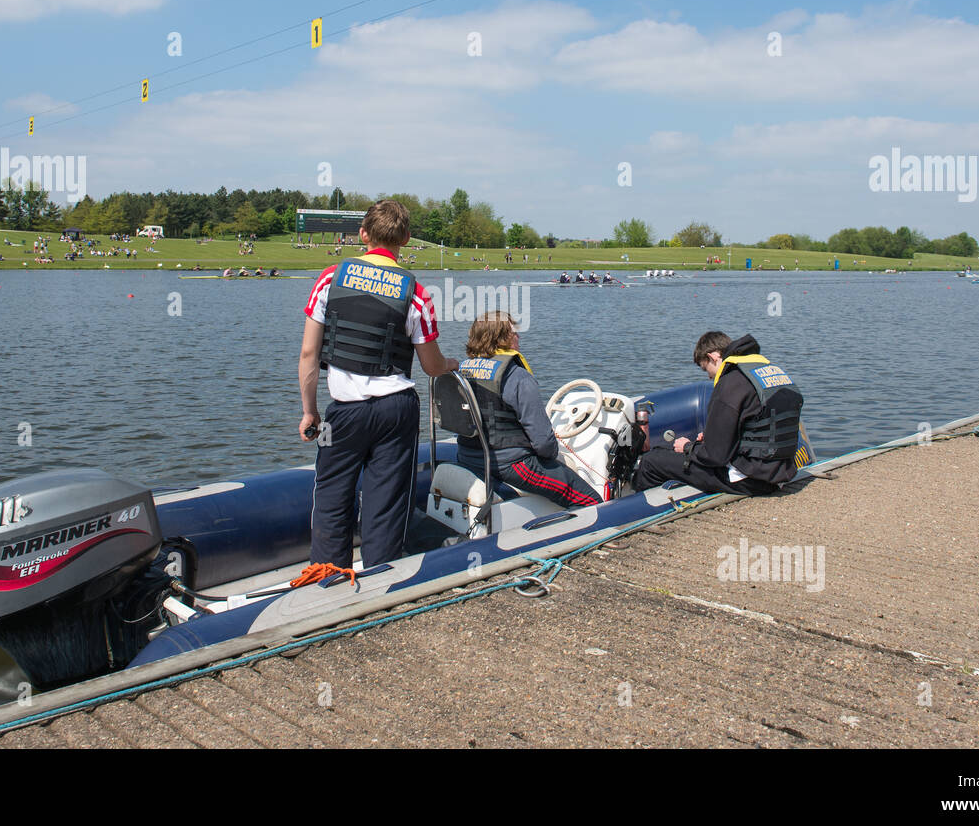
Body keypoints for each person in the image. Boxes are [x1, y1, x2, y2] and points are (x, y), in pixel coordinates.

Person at [297, 199, 460, 579]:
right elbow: (432, 367)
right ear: (405, 238)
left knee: (331, 492)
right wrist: (452, 363)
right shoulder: (416, 292)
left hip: (342, 411)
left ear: (362, 234)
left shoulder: (329, 279)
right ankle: (380, 578)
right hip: (396, 410)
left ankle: (325, 575)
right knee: (386, 499)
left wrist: (310, 412)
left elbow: (308, 354)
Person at [456, 312, 601, 509]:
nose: (518, 337)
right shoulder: (518, 377)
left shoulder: (462, 372)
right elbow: (544, 444)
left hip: (467, 455)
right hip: (512, 464)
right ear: (502, 338)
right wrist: (553, 459)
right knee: (590, 500)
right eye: (514, 333)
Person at [632, 331, 803, 496]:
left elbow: (714, 457)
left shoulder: (730, 382)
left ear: (713, 357)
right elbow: (758, 428)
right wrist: (710, 437)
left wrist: (687, 447)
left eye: (705, 368)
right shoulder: (771, 372)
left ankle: (635, 516)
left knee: (651, 461)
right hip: (780, 473)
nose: (709, 377)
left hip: (749, 479)